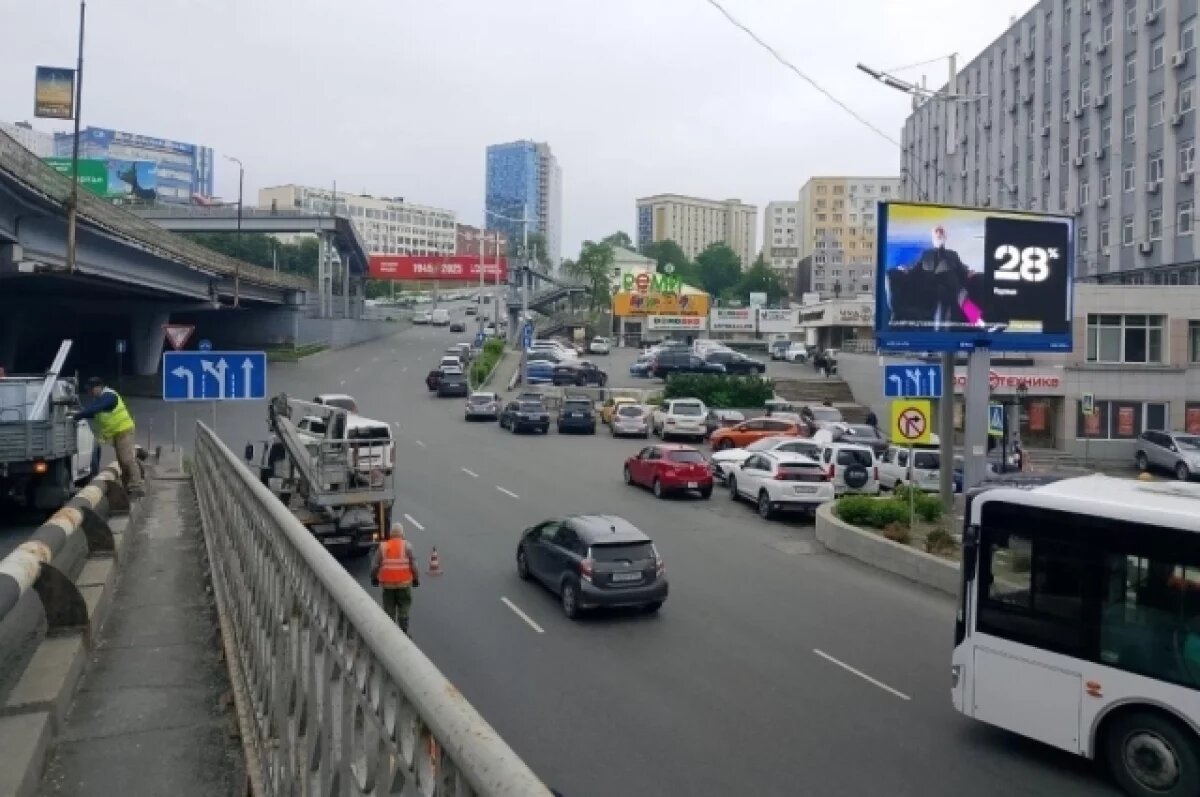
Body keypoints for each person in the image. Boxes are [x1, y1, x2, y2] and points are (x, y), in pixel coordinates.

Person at [72, 377, 143, 498]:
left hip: (124, 430)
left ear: (99, 387)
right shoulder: (100, 399)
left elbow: (94, 410)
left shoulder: (109, 396)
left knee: (127, 459)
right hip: (117, 432)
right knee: (122, 461)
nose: (90, 393)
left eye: (91, 390)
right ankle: (128, 488)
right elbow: (93, 412)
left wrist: (77, 416)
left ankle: (136, 486)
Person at [371, 522, 419, 634]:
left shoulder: (383, 546)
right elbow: (414, 565)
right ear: (402, 534)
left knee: (389, 609)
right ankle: (403, 629)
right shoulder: (407, 546)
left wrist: (374, 578)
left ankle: (390, 633)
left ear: (391, 534)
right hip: (404, 584)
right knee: (404, 606)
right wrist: (416, 578)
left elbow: (375, 565)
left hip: (388, 585)